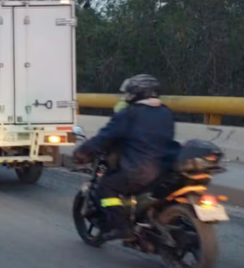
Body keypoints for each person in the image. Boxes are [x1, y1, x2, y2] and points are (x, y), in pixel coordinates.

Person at [73, 74, 176, 241]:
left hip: (139, 170)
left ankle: (121, 227)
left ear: (137, 93)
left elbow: (105, 137)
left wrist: (83, 152)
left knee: (104, 187)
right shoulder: (166, 113)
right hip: (164, 168)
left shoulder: (129, 114)